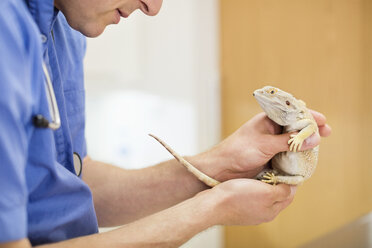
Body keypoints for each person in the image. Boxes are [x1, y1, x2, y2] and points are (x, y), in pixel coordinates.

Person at [0, 0, 331, 247]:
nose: (153, 7)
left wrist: (220, 165)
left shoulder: (66, 32)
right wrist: (214, 208)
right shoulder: (7, 30)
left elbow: (72, 185)